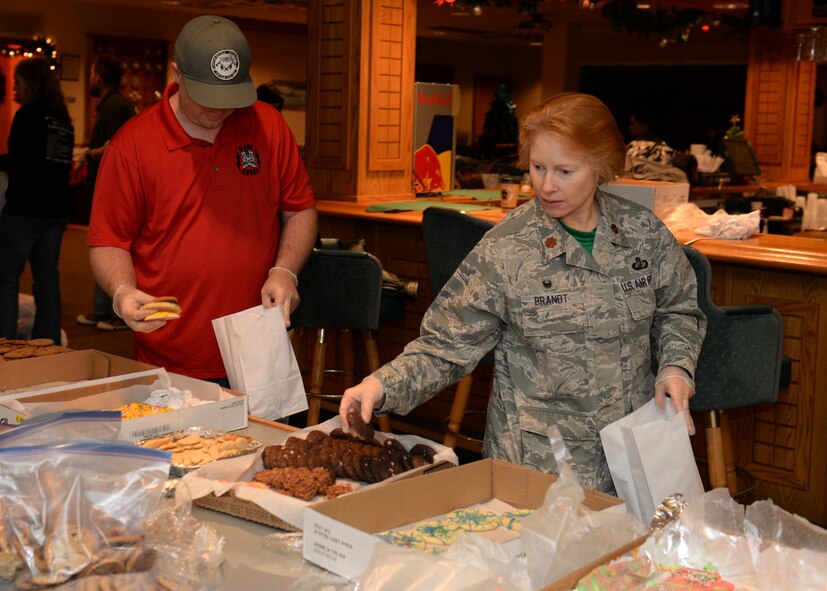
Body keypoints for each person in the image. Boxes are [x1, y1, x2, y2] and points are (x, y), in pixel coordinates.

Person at [340, 93, 706, 492]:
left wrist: (675, 367)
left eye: (565, 171)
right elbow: (444, 347)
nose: (547, 186)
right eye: (537, 167)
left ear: (601, 167)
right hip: (541, 467)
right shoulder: (507, 249)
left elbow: (679, 308)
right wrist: (380, 386)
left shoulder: (642, 233)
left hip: (634, 460)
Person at [87, 15, 318, 383]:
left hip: (259, 345)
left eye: (229, 98)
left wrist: (285, 270)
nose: (218, 110)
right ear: (177, 74)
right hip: (171, 355)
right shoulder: (132, 145)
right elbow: (108, 241)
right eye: (206, 96)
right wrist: (122, 291)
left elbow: (300, 209)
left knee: (272, 442)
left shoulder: (268, 125)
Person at [0, 57, 75, 344]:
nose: (14, 89)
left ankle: (4, 346)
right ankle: (50, 345)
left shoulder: (28, 115)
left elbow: (21, 162)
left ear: (30, 82)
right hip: (55, 212)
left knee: (6, 279)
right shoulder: (62, 120)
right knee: (47, 282)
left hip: (24, 211)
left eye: (17, 82)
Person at [76, 55, 136, 331]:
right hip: (106, 183)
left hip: (112, 186)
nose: (91, 78)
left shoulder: (116, 105)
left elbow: (115, 145)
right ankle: (104, 311)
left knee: (109, 244)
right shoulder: (113, 104)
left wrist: (87, 153)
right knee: (105, 243)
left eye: (92, 72)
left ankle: (112, 312)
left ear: (100, 76)